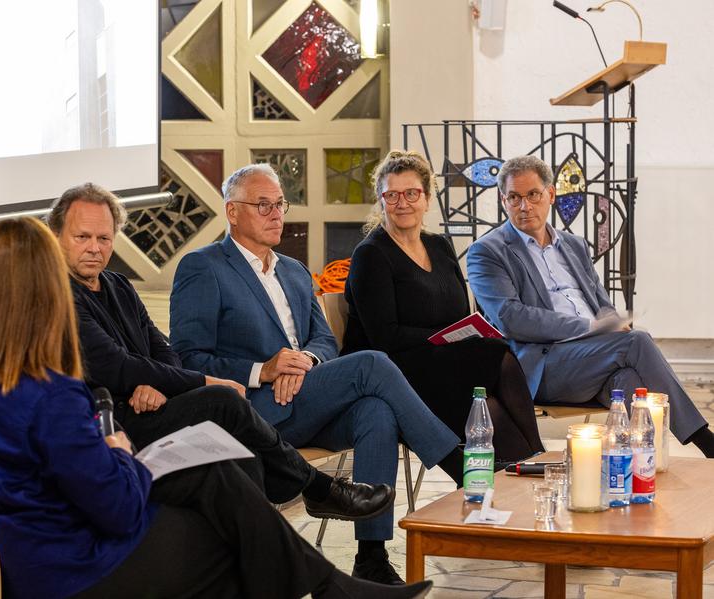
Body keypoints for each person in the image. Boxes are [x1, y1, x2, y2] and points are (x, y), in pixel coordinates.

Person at [0, 217, 433, 599]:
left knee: (217, 478)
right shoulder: (47, 392)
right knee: (233, 539)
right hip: (76, 564)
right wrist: (120, 450)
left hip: (25, 552)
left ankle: (332, 589)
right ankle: (331, 589)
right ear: (45, 292)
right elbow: (117, 508)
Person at [170, 163, 464, 585]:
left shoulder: (292, 269)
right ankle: (456, 462)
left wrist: (304, 361)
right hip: (256, 412)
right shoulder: (203, 267)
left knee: (376, 411)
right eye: (263, 205)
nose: (276, 214)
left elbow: (324, 341)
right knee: (372, 361)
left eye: (280, 204)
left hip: (307, 400)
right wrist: (264, 370)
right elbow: (186, 357)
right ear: (232, 212)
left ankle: (371, 557)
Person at [46, 182, 391, 519]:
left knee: (244, 455)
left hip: (152, 404)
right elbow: (114, 366)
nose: (95, 248)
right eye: (82, 237)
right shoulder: (58, 294)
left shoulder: (117, 284)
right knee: (225, 400)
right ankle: (318, 489)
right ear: (57, 236)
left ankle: (263, 560)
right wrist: (204, 381)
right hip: (110, 424)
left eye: (104, 238)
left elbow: (161, 348)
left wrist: (159, 384)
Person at [467, 154, 714, 457]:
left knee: (629, 383)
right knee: (636, 341)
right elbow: (511, 319)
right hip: (545, 366)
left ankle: (636, 468)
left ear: (551, 194)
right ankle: (705, 441)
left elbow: (601, 305)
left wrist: (610, 323)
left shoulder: (574, 245)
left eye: (533, 195)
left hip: (594, 360)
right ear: (503, 200)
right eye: (514, 198)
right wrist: (590, 328)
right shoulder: (488, 252)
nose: (524, 206)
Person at [343, 151, 544, 462]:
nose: (402, 203)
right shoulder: (370, 254)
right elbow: (384, 337)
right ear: (381, 200)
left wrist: (464, 333)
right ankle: (529, 464)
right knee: (490, 371)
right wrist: (444, 336)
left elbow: (459, 315)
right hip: (396, 372)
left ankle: (527, 460)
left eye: (411, 193)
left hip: (445, 361)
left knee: (493, 375)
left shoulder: (439, 246)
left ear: (426, 198)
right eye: (391, 195)